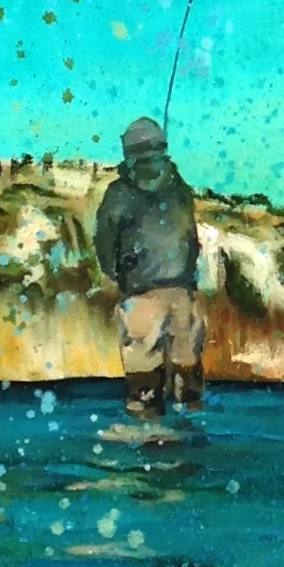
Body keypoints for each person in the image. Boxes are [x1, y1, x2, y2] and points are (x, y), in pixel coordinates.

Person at [94, 116, 205, 416]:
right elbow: (191, 239)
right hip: (183, 295)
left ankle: (146, 434)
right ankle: (191, 437)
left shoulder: (118, 194)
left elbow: (105, 245)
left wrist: (119, 277)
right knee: (189, 388)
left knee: (143, 391)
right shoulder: (179, 189)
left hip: (141, 297)